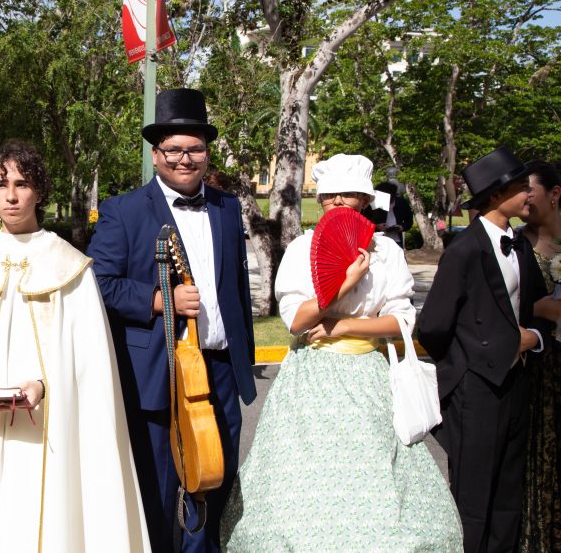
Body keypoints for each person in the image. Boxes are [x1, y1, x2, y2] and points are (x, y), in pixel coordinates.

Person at [220, 153, 462, 551]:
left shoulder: (387, 252)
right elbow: (297, 321)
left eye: (347, 196)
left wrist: (346, 324)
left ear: (365, 202)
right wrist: (346, 282)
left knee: (379, 474)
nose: (335, 204)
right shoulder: (302, 248)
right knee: (302, 477)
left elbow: (401, 321)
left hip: (368, 372)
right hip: (311, 375)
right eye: (329, 195)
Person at [0, 140, 148, 552]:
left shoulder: (69, 266)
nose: (10, 195)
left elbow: (89, 365)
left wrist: (44, 385)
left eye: (22, 184)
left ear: (39, 191)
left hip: (51, 429)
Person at [86, 88, 256, 553]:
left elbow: (236, 288)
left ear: (207, 152)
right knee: (161, 491)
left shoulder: (227, 206)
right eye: (174, 149)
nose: (185, 158)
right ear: (156, 153)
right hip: (160, 372)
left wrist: (244, 358)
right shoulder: (123, 210)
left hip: (219, 369)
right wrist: (162, 301)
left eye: (195, 149)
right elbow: (99, 283)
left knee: (217, 480)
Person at [418, 145, 550, 553]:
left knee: (508, 493)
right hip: (475, 389)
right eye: (520, 187)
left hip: (515, 383)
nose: (529, 194)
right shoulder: (464, 250)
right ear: (496, 196)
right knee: (473, 498)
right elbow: (434, 326)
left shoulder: (520, 244)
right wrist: (473, 360)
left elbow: (536, 307)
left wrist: (534, 338)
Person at [517, 160, 561, 553]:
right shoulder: (514, 244)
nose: (523, 197)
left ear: (555, 193)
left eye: (529, 188)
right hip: (535, 369)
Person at [363, 180, 414, 248]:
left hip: (396, 241)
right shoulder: (372, 204)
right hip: (378, 240)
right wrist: (376, 226)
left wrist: (402, 227)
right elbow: (364, 222)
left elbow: (409, 221)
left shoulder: (402, 203)